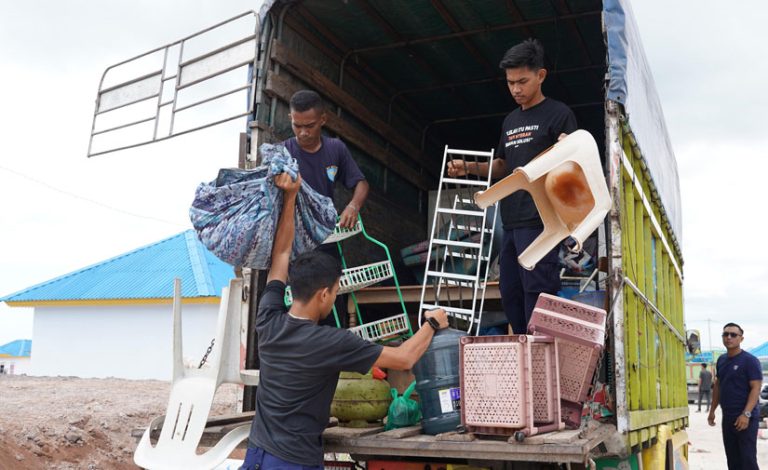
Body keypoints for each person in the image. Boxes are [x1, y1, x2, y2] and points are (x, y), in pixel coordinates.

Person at [242, 170, 448, 470]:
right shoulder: (331, 342)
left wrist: (290, 197)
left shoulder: (268, 318)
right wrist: (432, 323)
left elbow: (282, 253)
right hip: (292, 462)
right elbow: (404, 358)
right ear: (324, 295)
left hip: (257, 453)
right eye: (337, 290)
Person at [446, 38, 577, 333]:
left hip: (542, 221)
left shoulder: (560, 114)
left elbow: (572, 163)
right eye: (510, 83)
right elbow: (503, 166)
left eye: (522, 81)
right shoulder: (510, 121)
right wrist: (469, 168)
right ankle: (522, 344)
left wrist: (562, 151)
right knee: (511, 291)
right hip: (511, 221)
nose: (516, 89)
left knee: (538, 291)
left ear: (540, 76)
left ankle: (539, 352)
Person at [283, 89, 370, 327]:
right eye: (296, 125)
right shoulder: (284, 153)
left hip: (328, 240)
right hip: (293, 245)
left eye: (309, 126)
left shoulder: (336, 149)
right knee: (298, 305)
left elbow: (361, 183)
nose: (302, 133)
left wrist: (353, 205)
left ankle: (331, 357)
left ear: (323, 120)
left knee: (331, 306)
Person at [707, 323, 762, 470]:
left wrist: (746, 414)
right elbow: (718, 385)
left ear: (741, 339)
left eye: (733, 335)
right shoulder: (722, 360)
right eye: (726, 334)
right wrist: (712, 410)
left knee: (747, 459)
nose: (729, 337)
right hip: (728, 417)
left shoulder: (750, 361)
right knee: (732, 459)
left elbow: (756, 388)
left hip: (746, 419)